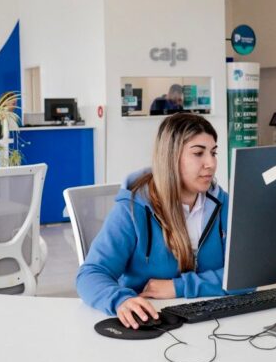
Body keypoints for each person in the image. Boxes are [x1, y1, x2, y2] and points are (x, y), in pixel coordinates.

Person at [76, 113, 245, 328]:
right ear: (170, 158)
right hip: (153, 322)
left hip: (211, 321)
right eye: (198, 153)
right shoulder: (133, 208)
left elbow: (244, 276)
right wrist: (120, 300)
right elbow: (90, 274)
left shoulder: (223, 204)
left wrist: (178, 287)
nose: (211, 163)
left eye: (213, 152)